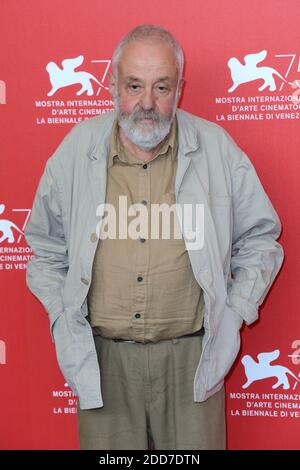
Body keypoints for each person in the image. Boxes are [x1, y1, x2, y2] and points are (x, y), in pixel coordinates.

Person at [24, 24, 284, 450]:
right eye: (134, 85)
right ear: (112, 84)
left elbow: (261, 237)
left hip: (192, 361)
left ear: (180, 88)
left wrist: (235, 312)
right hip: (103, 363)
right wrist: (61, 314)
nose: (147, 103)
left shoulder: (217, 149)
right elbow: (45, 247)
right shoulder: (75, 151)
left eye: (161, 87)